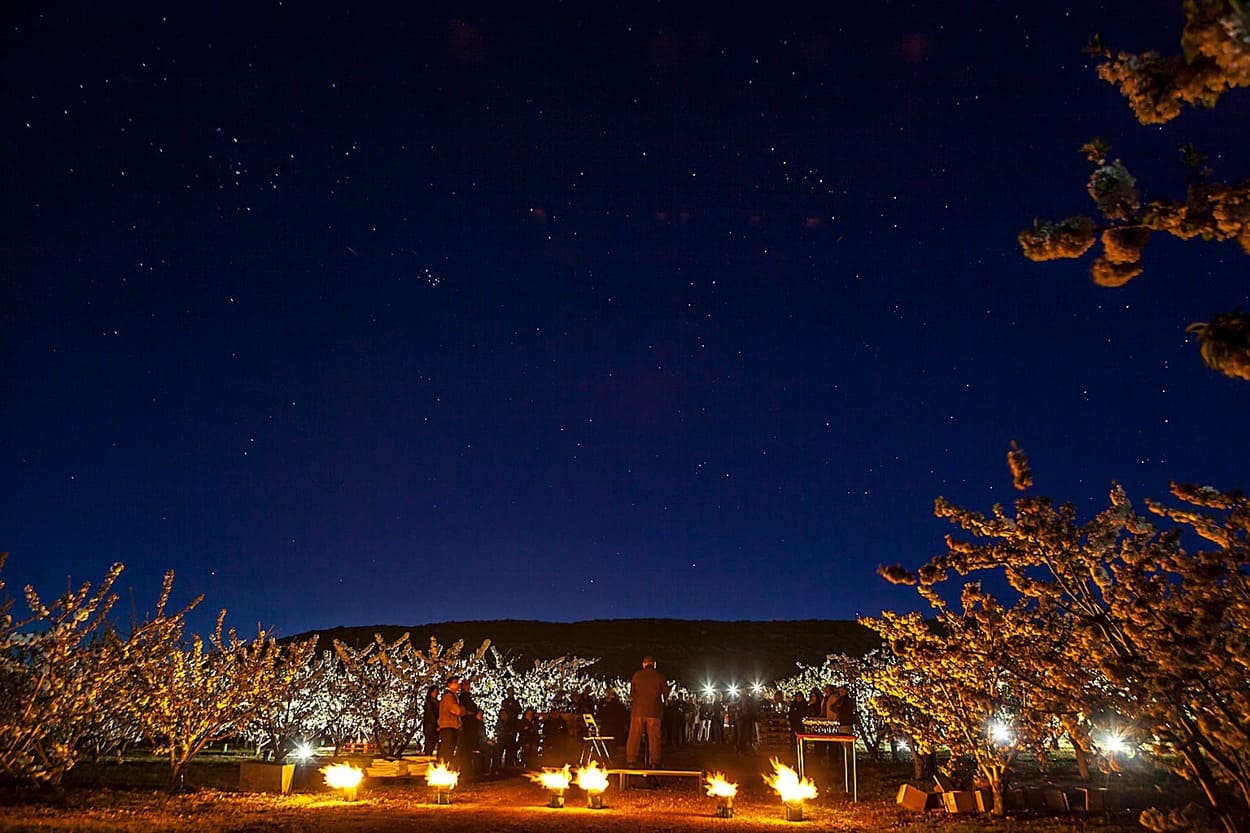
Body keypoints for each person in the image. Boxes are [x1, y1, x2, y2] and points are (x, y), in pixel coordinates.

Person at [626, 655, 667, 768]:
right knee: (654, 737)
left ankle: (631, 760)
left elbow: (632, 693)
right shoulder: (660, 676)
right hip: (654, 711)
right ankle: (654, 761)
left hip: (638, 711)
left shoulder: (637, 675)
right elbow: (665, 694)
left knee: (634, 735)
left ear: (644, 664)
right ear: (654, 664)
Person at [437, 677, 468, 764]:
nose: (458, 685)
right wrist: (463, 709)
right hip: (449, 726)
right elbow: (457, 710)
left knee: (449, 749)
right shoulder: (449, 696)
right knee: (448, 750)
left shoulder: (452, 696)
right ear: (449, 684)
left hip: (451, 726)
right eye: (456, 683)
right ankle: (444, 768)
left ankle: (445, 767)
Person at [498, 686, 522, 769]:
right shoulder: (505, 702)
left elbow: (519, 711)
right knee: (502, 746)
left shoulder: (516, 702)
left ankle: (509, 764)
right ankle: (499, 764)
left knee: (511, 747)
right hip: (505, 727)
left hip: (513, 725)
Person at [422, 685, 441, 755]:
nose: (437, 693)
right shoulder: (429, 703)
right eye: (435, 691)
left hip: (435, 727)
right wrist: (436, 725)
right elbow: (430, 716)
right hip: (431, 728)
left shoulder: (437, 703)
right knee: (430, 746)